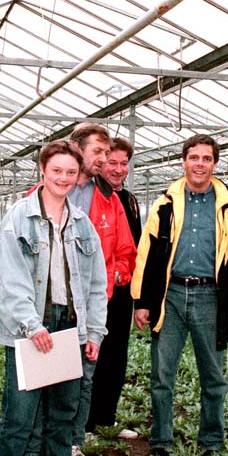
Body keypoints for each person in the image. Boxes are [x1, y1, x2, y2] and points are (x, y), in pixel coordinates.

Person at [0, 140, 108, 456]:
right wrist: (31, 325)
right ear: (43, 170)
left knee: (64, 411)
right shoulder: (19, 219)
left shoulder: (82, 224)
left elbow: (95, 283)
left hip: (69, 325)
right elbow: (7, 281)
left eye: (71, 172)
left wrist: (95, 333)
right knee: (20, 413)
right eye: (57, 171)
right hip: (30, 327)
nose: (64, 179)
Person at [131, 133, 228, 456]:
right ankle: (161, 441)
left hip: (210, 298)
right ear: (184, 161)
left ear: (214, 164)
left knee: (213, 376)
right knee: (162, 375)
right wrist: (141, 300)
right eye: (194, 157)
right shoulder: (166, 205)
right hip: (170, 296)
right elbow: (148, 252)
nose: (199, 164)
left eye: (206, 159)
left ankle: (212, 440)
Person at [24, 123, 135, 456]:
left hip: (87, 303)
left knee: (82, 379)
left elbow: (123, 248)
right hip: (50, 300)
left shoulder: (108, 198)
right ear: (77, 149)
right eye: (98, 152)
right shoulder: (43, 195)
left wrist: (115, 275)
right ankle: (33, 450)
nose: (104, 159)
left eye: (107, 153)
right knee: (42, 377)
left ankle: (72, 447)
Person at [87, 137, 142, 439]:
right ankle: (86, 423)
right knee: (94, 351)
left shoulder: (130, 200)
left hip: (122, 289)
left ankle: (106, 416)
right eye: (113, 162)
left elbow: (136, 246)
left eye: (124, 164)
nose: (119, 169)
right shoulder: (91, 195)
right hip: (98, 288)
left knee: (116, 353)